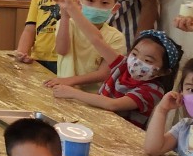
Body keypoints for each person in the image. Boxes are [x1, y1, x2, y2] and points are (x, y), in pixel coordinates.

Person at [49, 16, 182, 127]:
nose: (136, 62)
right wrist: (71, 8)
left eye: (147, 60)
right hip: (97, 122)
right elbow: (96, 40)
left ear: (164, 72)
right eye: (134, 54)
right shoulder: (123, 64)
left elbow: (112, 104)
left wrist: (73, 93)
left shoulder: (152, 90)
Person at [50, 0, 127, 87]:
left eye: (105, 2)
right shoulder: (68, 23)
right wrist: (65, 17)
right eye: (90, 1)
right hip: (62, 89)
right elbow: (61, 50)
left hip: (94, 94)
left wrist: (70, 81)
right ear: (79, 2)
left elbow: (104, 73)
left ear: (115, 8)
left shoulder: (116, 37)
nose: (97, 7)